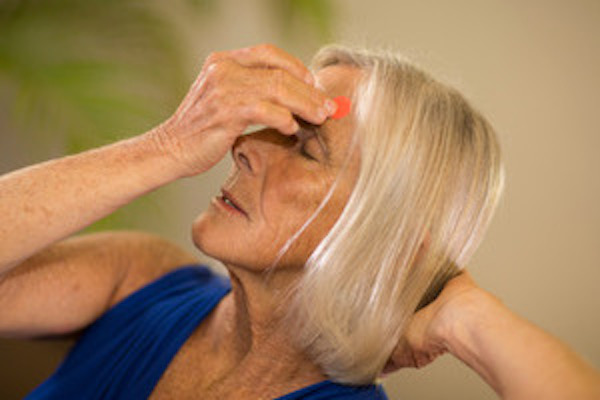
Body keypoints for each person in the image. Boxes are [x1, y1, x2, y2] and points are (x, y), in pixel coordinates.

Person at [0, 44, 598, 400]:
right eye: (276, 125)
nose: (245, 147)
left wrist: (467, 318)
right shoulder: (141, 276)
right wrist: (167, 146)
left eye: (307, 148)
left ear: (380, 232)